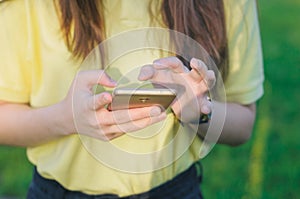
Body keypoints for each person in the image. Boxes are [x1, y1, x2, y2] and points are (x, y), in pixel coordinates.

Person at [0, 0, 264, 198]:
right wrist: (66, 119)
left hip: (176, 190)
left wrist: (198, 113)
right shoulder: (28, 6)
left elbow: (242, 124)